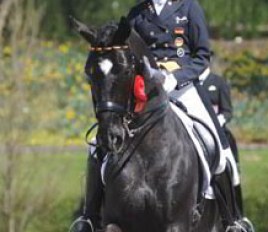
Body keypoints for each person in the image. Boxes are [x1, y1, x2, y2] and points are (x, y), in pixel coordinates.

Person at [71, 0, 254, 231]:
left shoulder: (189, 8)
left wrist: (175, 78)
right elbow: (128, 56)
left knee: (218, 146)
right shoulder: (137, 13)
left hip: (184, 87)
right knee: (97, 144)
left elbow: (201, 56)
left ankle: (233, 221)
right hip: (149, 91)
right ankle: (88, 218)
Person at [199, 52, 244, 216]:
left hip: (219, 134)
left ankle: (237, 215)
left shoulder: (218, 82)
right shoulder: (190, 85)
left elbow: (227, 111)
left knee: (231, 173)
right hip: (198, 132)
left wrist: (216, 121)